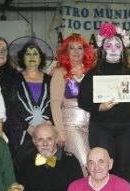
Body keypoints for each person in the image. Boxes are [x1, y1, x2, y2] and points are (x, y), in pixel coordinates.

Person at [77, 22, 130, 185]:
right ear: (102, 49)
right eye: (109, 45)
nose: (113, 49)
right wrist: (99, 107)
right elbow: (82, 100)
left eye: (117, 46)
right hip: (101, 128)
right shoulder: (92, 73)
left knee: (124, 170)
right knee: (103, 171)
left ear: (123, 49)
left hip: (128, 129)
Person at [50, 34, 95, 175]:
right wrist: (60, 131)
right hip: (71, 127)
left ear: (85, 51)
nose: (76, 51)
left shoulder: (92, 72)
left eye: (80, 48)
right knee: (85, 165)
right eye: (72, 48)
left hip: (93, 127)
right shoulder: (60, 72)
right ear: (66, 51)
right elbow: (55, 103)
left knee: (95, 163)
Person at [7, 39, 52, 159]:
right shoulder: (14, 80)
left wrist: (49, 124)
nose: (32, 56)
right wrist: (27, 127)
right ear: (22, 58)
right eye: (28, 53)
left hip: (47, 136)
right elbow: (10, 108)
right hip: (22, 136)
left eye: (35, 53)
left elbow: (56, 105)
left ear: (41, 58)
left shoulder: (51, 80)